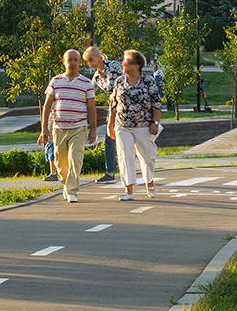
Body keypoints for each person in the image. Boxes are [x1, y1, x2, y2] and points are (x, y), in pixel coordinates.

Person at [42, 49, 96, 202]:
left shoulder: (87, 83)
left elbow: (91, 107)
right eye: (69, 60)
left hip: (79, 128)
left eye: (75, 60)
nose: (72, 62)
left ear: (79, 62)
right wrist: (44, 129)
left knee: (75, 159)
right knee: (60, 162)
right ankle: (66, 183)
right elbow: (47, 106)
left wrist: (93, 129)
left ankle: (72, 191)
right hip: (58, 128)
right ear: (64, 62)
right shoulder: (56, 81)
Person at [109, 49, 161, 200]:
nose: (123, 63)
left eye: (127, 61)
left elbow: (156, 103)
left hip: (144, 126)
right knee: (125, 157)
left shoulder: (148, 80)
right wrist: (110, 125)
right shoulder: (119, 81)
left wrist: (155, 122)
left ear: (137, 65)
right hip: (122, 125)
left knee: (148, 158)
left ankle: (149, 182)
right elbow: (113, 104)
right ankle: (128, 190)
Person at [83, 46, 119, 184]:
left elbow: (127, 79)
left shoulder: (114, 65)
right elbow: (90, 92)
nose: (90, 64)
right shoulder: (97, 76)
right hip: (113, 107)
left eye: (90, 60)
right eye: (87, 61)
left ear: (97, 57)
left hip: (127, 104)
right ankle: (109, 172)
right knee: (109, 138)